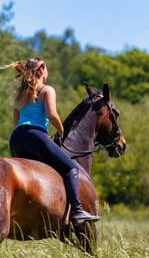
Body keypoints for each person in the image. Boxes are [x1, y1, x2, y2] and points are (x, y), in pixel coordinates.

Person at [5, 57, 101, 225]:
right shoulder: (47, 90)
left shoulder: (20, 94)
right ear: (42, 70)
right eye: (47, 69)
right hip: (35, 136)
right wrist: (60, 129)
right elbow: (51, 114)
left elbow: (17, 121)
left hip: (17, 138)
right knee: (71, 167)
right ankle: (78, 211)